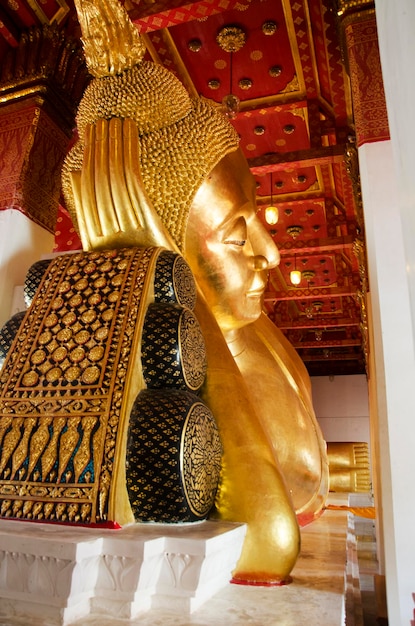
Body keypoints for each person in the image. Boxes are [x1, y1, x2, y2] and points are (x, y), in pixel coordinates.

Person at [61, 0, 329, 584]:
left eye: (257, 219)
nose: (273, 252)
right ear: (164, 242)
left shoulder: (264, 339)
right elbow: (269, 538)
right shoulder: (167, 368)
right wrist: (149, 260)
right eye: (237, 235)